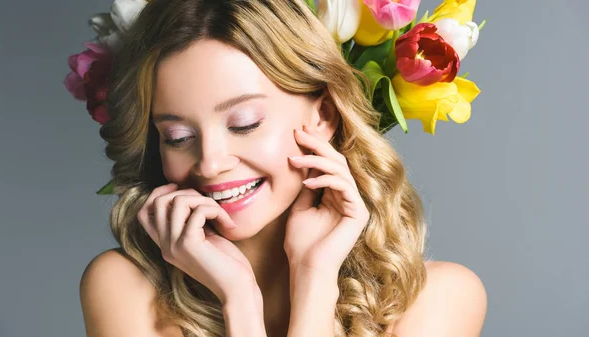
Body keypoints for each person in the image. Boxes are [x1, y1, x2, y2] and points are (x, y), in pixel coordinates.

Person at [78, 0, 487, 336]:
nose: (211, 163)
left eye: (244, 124)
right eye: (179, 137)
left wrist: (314, 279)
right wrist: (239, 299)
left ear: (323, 113)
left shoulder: (438, 299)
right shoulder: (124, 288)